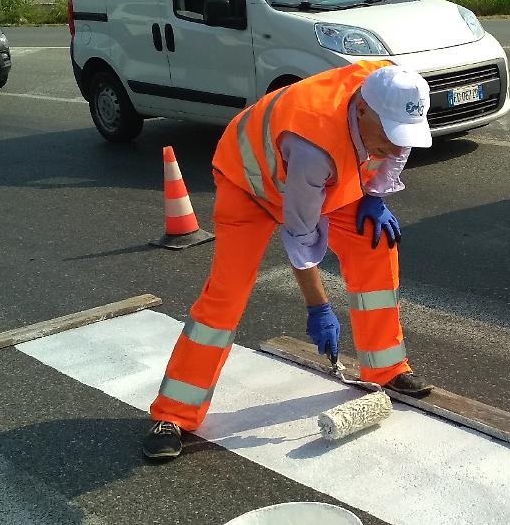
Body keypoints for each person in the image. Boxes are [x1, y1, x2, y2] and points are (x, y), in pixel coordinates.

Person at [142, 61, 436, 460]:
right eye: (388, 134)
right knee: (225, 296)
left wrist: (374, 194)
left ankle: (385, 368)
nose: (397, 147)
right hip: (249, 183)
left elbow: (395, 150)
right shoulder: (313, 148)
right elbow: (300, 238)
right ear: (363, 109)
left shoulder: (393, 86)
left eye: (406, 136)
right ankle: (173, 414)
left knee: (375, 242)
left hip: (316, 174)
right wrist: (319, 307)